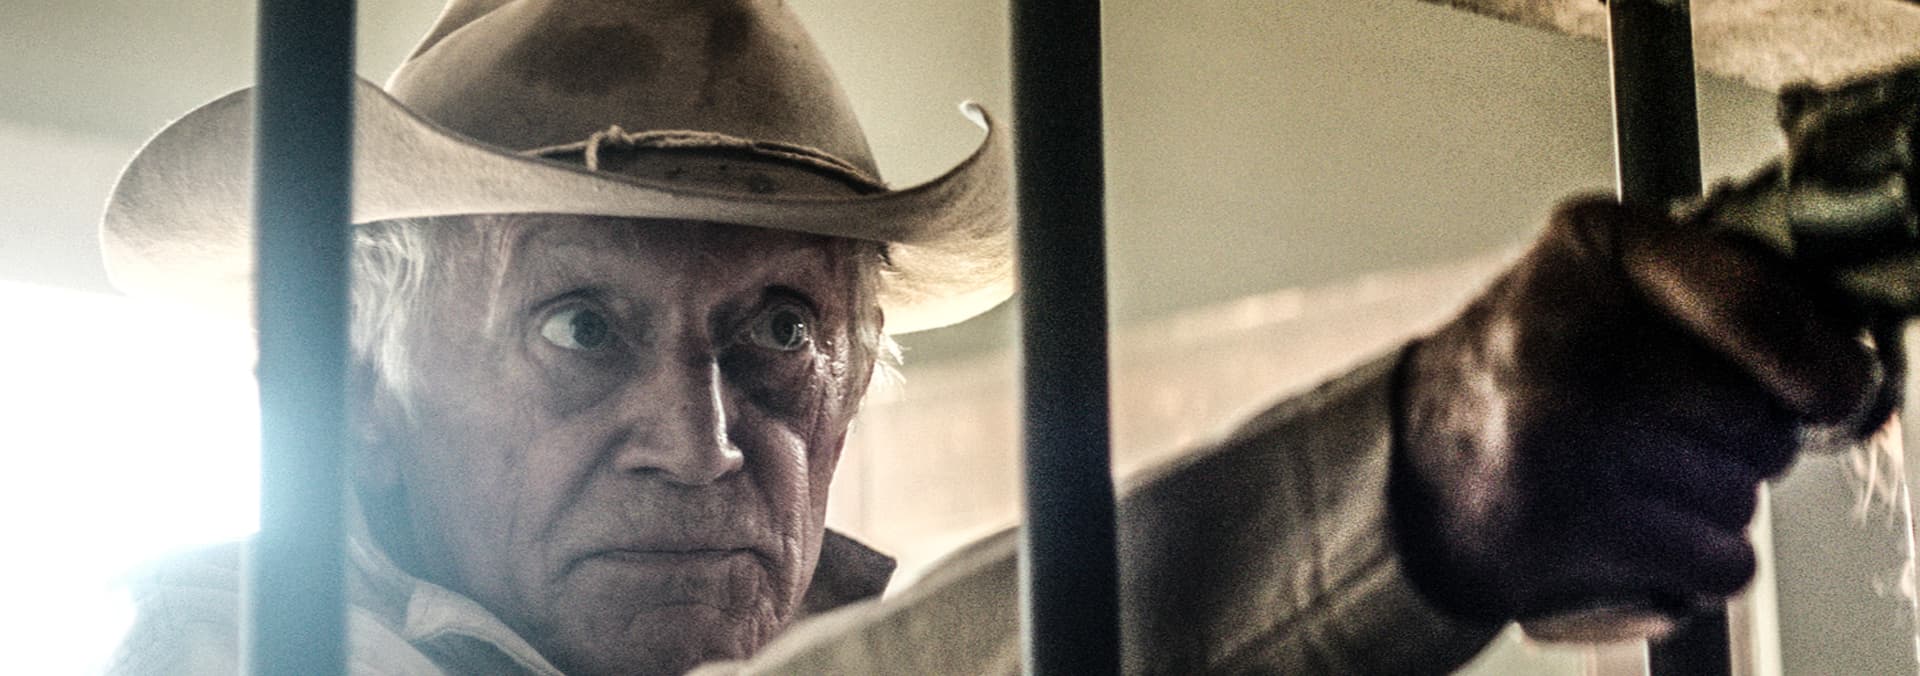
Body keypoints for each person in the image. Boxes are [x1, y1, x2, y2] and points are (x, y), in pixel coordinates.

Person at [99, 0, 1917, 674]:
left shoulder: (920, 624)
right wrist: (1417, 484)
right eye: (579, 324)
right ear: (358, 399)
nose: (706, 439)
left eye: (780, 331)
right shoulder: (230, 650)